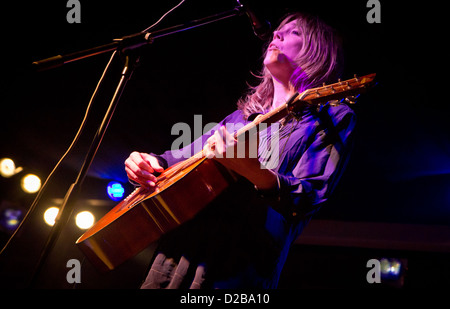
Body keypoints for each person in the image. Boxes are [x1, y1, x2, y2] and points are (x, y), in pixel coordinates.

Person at [125, 12, 356, 289]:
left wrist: (251, 170)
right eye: (278, 30)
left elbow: (309, 196)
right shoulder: (240, 118)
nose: (277, 35)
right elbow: (181, 156)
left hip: (238, 265)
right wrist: (148, 161)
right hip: (179, 254)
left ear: (320, 50)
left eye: (293, 32)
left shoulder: (332, 116)